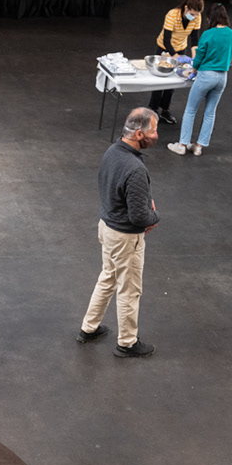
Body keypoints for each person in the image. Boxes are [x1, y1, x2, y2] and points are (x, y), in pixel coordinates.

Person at [78, 107, 161, 358]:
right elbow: (140, 217)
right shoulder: (135, 169)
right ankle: (126, 342)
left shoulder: (112, 152)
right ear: (138, 134)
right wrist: (155, 216)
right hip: (126, 238)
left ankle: (88, 328)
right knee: (129, 289)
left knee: (108, 277)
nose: (156, 135)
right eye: (153, 131)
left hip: (107, 228)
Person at [167, 5, 232, 157]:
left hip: (206, 76)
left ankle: (182, 144)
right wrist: (231, 62)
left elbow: (199, 57)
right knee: (210, 112)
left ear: (211, 19)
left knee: (191, 110)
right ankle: (198, 146)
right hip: (222, 77)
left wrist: (193, 70)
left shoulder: (208, 34)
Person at [151, 0, 203, 126]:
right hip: (164, 48)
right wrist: (175, 57)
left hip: (180, 48)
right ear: (186, 8)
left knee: (174, 80)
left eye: (197, 14)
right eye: (192, 14)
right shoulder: (172, 15)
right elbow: (167, 40)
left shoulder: (197, 17)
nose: (194, 16)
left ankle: (165, 110)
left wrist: (194, 60)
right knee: (160, 80)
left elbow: (194, 40)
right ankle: (153, 109)